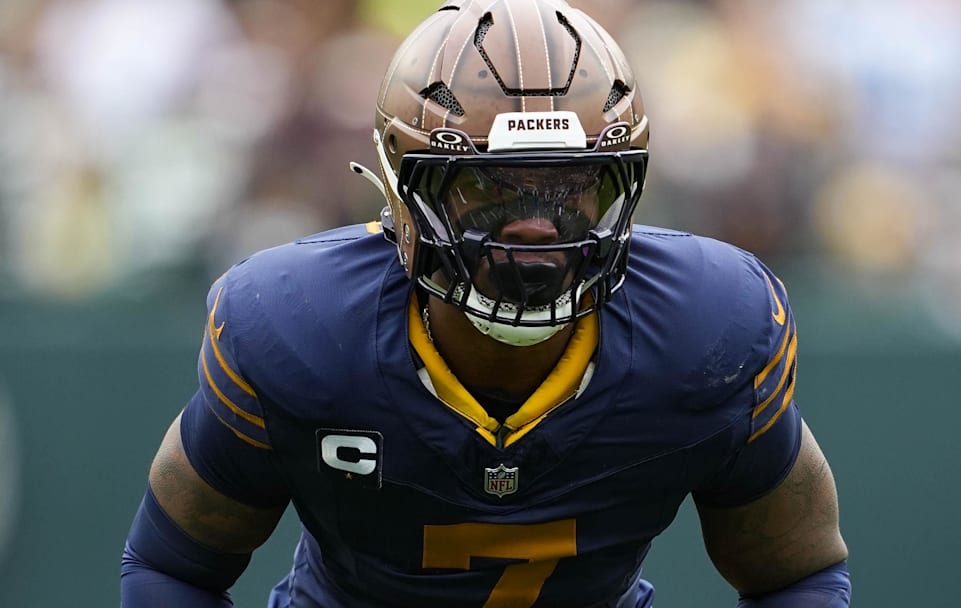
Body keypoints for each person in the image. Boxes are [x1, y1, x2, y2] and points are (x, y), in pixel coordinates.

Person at [120, 1, 851, 606]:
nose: (536, 230)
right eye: (490, 189)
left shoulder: (711, 328)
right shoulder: (297, 326)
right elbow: (174, 567)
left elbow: (799, 574)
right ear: (402, 192)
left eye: (571, 190)